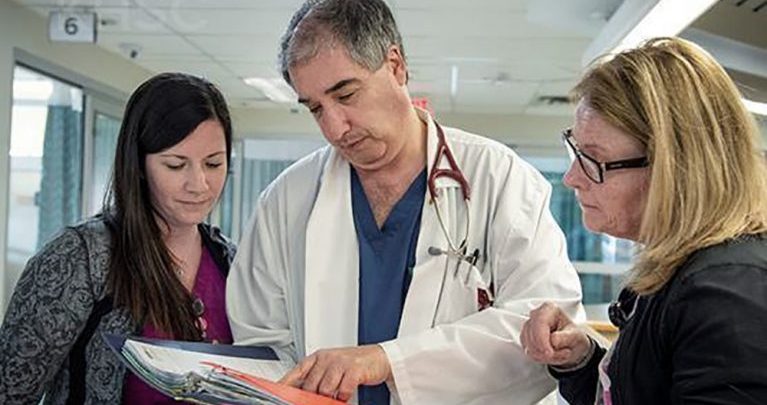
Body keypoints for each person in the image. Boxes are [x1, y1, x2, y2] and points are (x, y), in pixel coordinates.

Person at [225, 0, 583, 404]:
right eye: (316, 109)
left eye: (346, 94)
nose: (335, 127)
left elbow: (547, 330)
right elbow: (260, 343)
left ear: (395, 66)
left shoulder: (499, 178)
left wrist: (387, 361)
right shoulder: (286, 200)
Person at [520, 37, 767, 405]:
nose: (572, 178)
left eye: (593, 159)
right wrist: (583, 360)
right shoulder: (680, 272)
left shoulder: (725, 293)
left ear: (674, 169)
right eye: (576, 152)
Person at [0, 72, 236, 404]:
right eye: (175, 165)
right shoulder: (81, 258)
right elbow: (10, 391)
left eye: (213, 164)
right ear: (138, 164)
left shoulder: (231, 262)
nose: (199, 184)